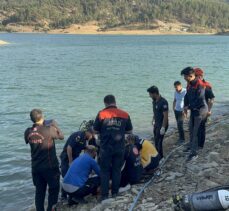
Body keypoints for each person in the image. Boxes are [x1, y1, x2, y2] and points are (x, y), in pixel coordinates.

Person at [93, 95, 133, 201]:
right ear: (115, 102)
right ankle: (115, 193)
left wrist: (98, 138)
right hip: (119, 147)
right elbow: (129, 131)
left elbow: (95, 130)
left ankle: (105, 195)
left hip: (105, 148)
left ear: (105, 103)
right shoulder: (125, 114)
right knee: (117, 170)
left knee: (104, 171)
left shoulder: (101, 114)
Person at [24, 109, 64, 211]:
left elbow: (28, 140)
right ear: (42, 117)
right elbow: (61, 136)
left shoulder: (28, 131)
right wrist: (55, 125)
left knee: (39, 192)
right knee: (54, 189)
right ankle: (51, 208)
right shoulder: (49, 129)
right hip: (50, 167)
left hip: (36, 167)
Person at [60, 121, 96, 199]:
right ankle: (63, 196)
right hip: (67, 157)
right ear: (88, 132)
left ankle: (71, 195)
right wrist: (70, 161)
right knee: (66, 175)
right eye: (92, 135)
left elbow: (84, 148)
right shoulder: (79, 136)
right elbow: (69, 148)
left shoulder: (85, 139)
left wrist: (92, 148)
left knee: (73, 175)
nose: (92, 137)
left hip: (75, 157)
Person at [181, 67, 208, 162]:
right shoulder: (189, 84)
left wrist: (189, 107)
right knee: (191, 130)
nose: (184, 78)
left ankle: (194, 153)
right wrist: (185, 105)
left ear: (191, 75)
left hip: (201, 110)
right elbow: (186, 96)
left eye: (185, 76)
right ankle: (191, 146)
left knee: (196, 131)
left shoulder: (199, 84)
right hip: (193, 110)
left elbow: (199, 99)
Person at [194, 68, 215, 149]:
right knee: (196, 128)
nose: (194, 77)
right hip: (196, 110)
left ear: (200, 76)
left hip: (204, 110)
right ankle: (196, 143)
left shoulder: (206, 86)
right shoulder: (194, 85)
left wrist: (209, 110)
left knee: (201, 128)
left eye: (195, 76)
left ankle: (200, 145)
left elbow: (212, 99)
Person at [147, 86, 169, 160]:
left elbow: (165, 116)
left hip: (162, 124)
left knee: (159, 141)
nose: (149, 96)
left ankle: (161, 157)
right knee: (155, 140)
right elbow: (155, 112)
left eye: (150, 94)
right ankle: (157, 155)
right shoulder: (154, 101)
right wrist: (153, 119)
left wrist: (163, 127)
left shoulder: (163, 102)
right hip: (156, 124)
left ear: (155, 93)